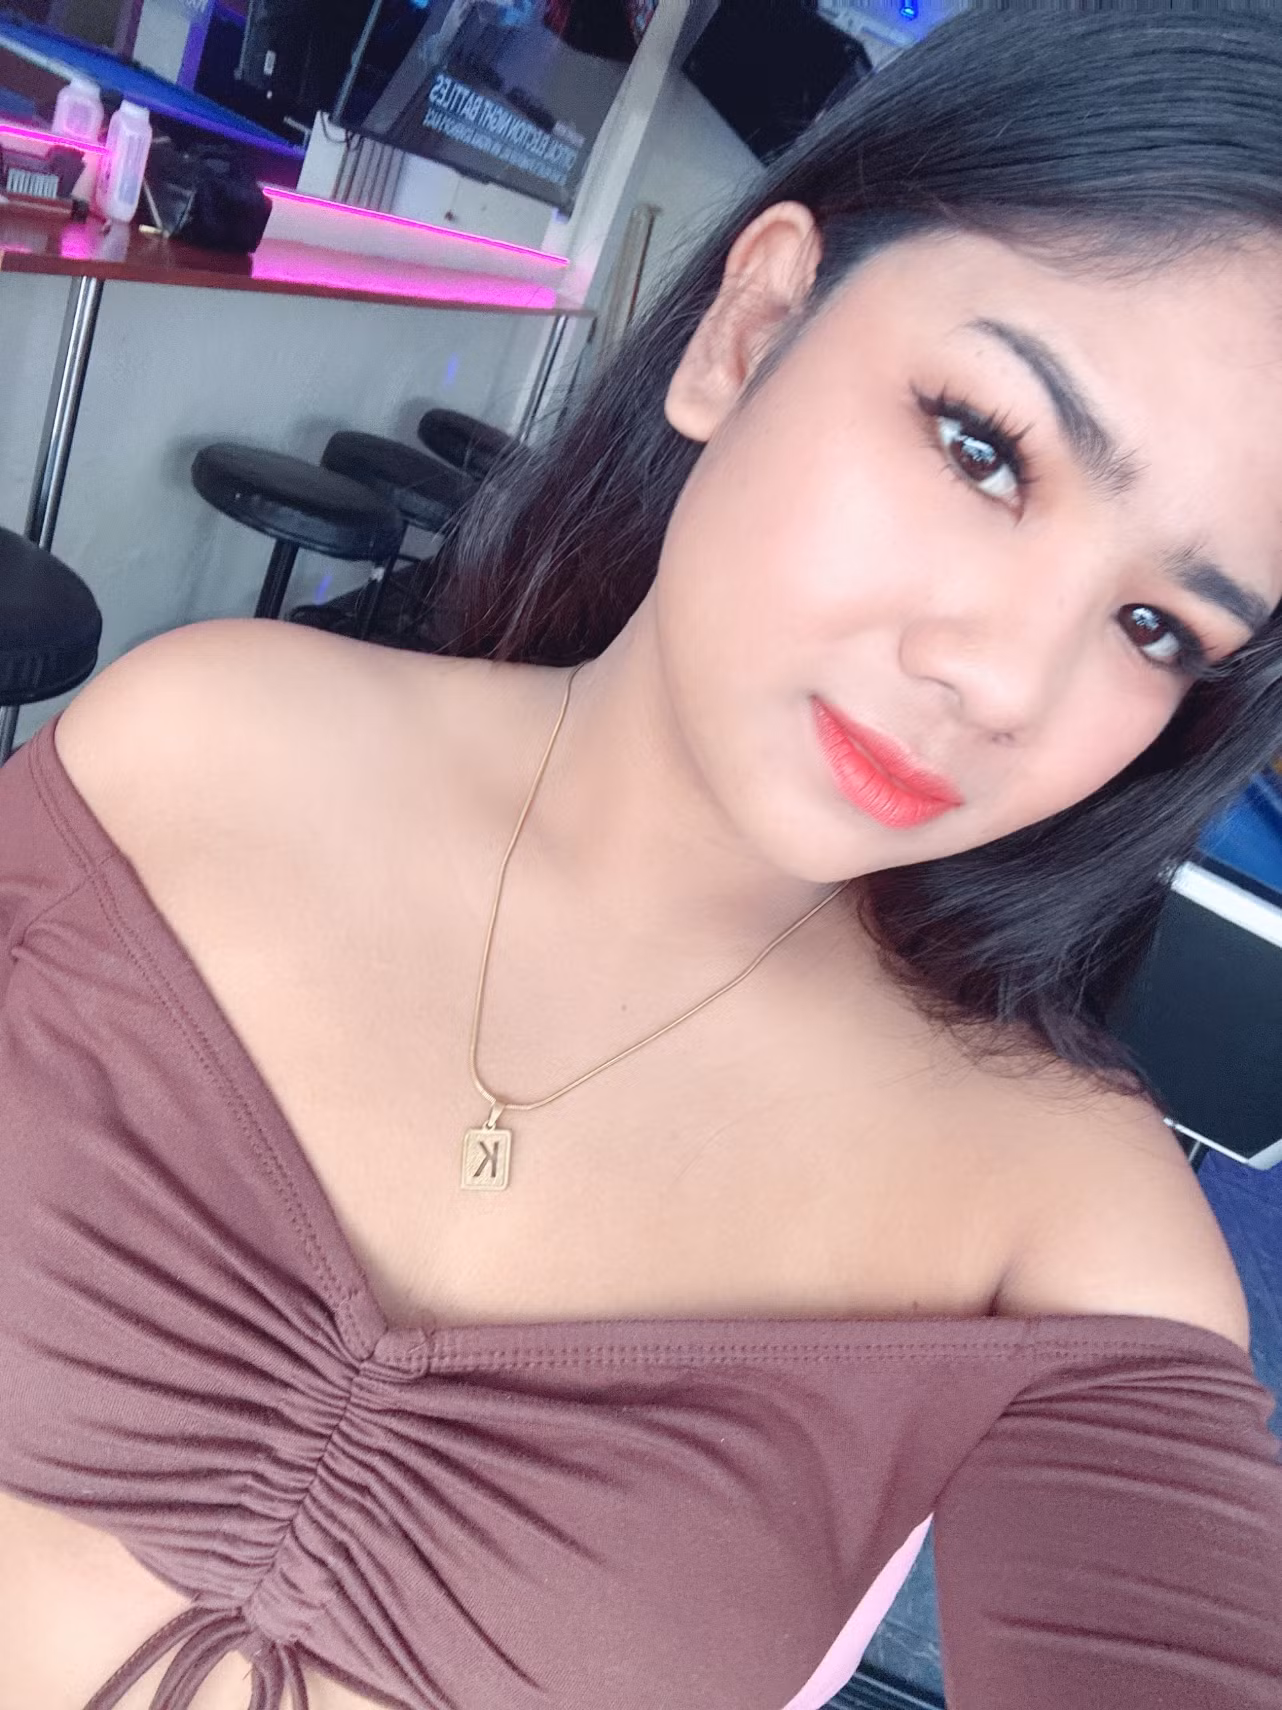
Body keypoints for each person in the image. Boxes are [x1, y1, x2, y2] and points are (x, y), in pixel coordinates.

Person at [2, 6, 1282, 1709]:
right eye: (985, 449)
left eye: (1154, 625)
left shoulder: (1066, 1230)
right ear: (748, 331)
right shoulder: (196, 746)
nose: (1004, 682)